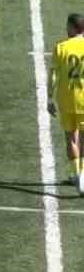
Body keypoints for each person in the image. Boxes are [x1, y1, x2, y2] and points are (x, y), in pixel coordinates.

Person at [49, 12, 84, 195]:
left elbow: (54, 75)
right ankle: (83, 176)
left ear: (72, 27)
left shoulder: (61, 47)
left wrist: (49, 97)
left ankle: (77, 175)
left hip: (67, 99)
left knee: (71, 137)